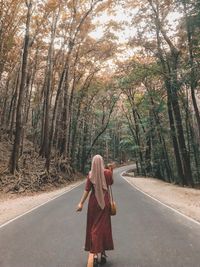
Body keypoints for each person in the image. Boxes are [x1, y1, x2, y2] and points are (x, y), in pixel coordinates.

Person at [77, 155, 114, 266]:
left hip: (94, 204)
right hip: (105, 202)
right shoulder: (107, 173)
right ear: (102, 162)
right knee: (104, 227)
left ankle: (96, 255)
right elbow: (111, 183)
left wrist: (81, 203)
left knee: (94, 228)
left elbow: (87, 190)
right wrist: (111, 170)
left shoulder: (90, 174)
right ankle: (102, 254)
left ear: (93, 163)